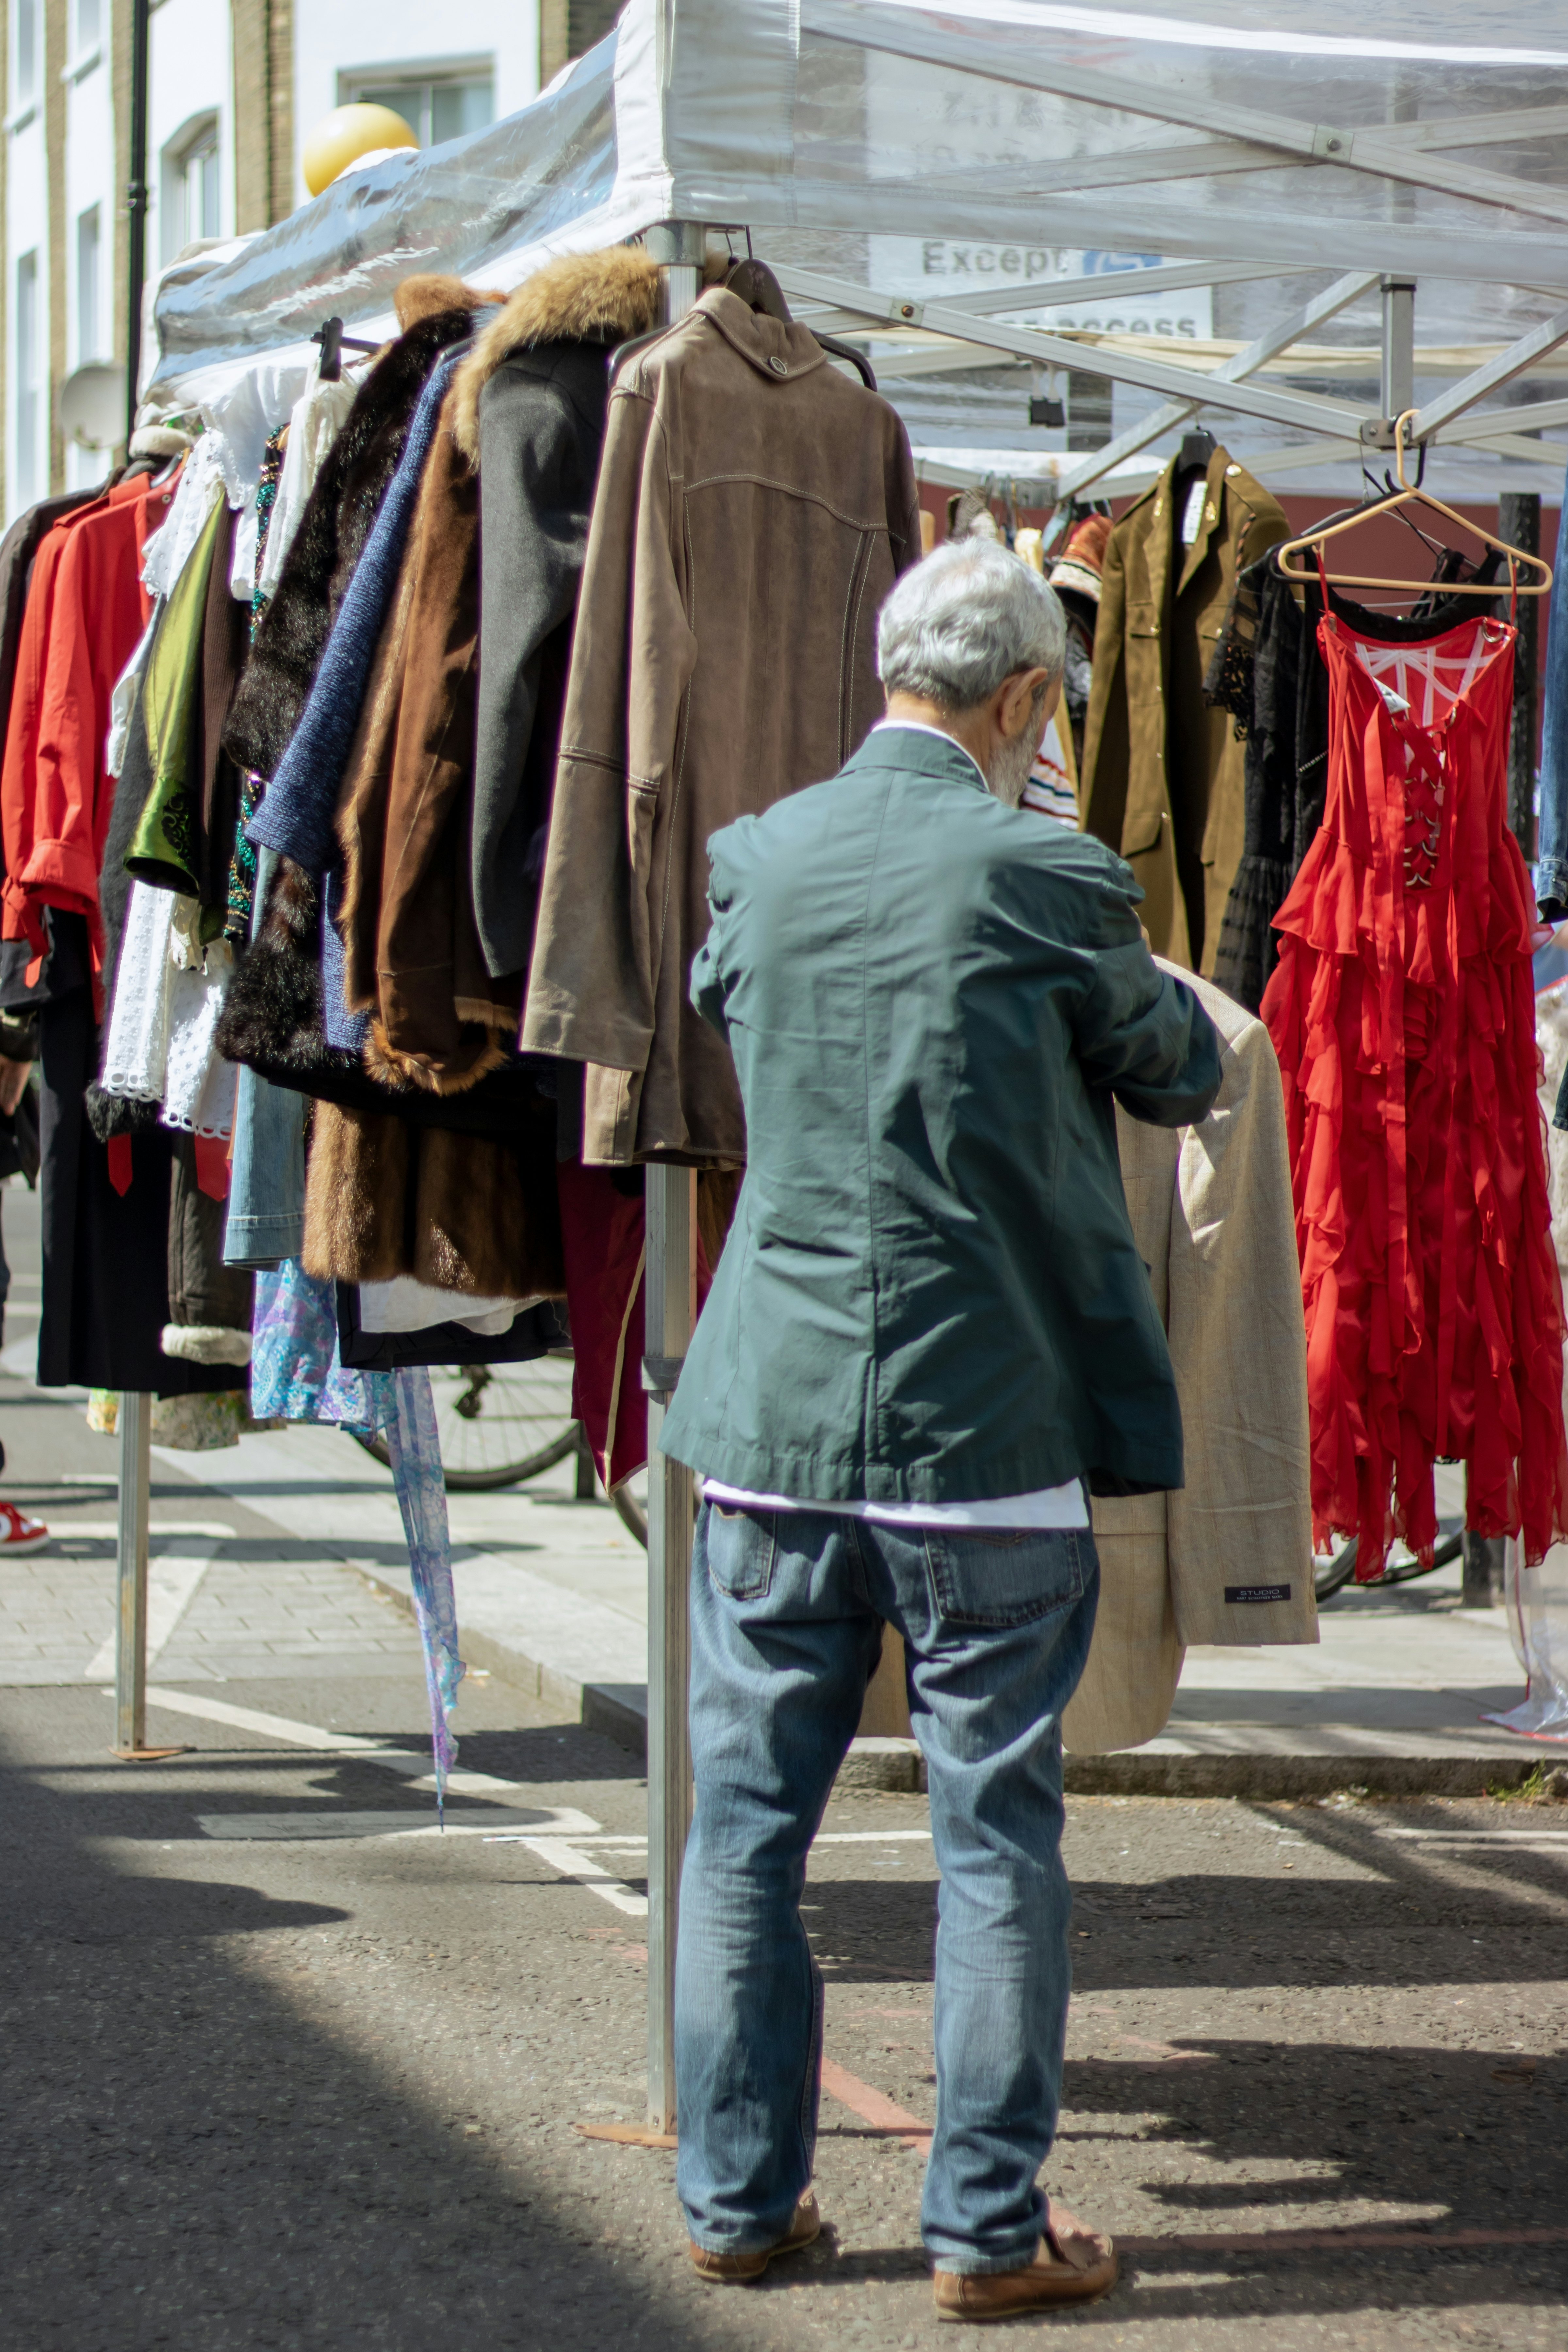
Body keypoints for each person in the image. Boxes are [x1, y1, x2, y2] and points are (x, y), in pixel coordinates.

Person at [659, 537, 1222, 2320]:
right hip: (986, 1432)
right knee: (994, 1832)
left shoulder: (761, 854)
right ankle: (988, 2231)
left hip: (770, 1421)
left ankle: (741, 2203)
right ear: (1029, 699)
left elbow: (728, 1013)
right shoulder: (1048, 873)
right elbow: (1183, 1070)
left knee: (748, 1828)